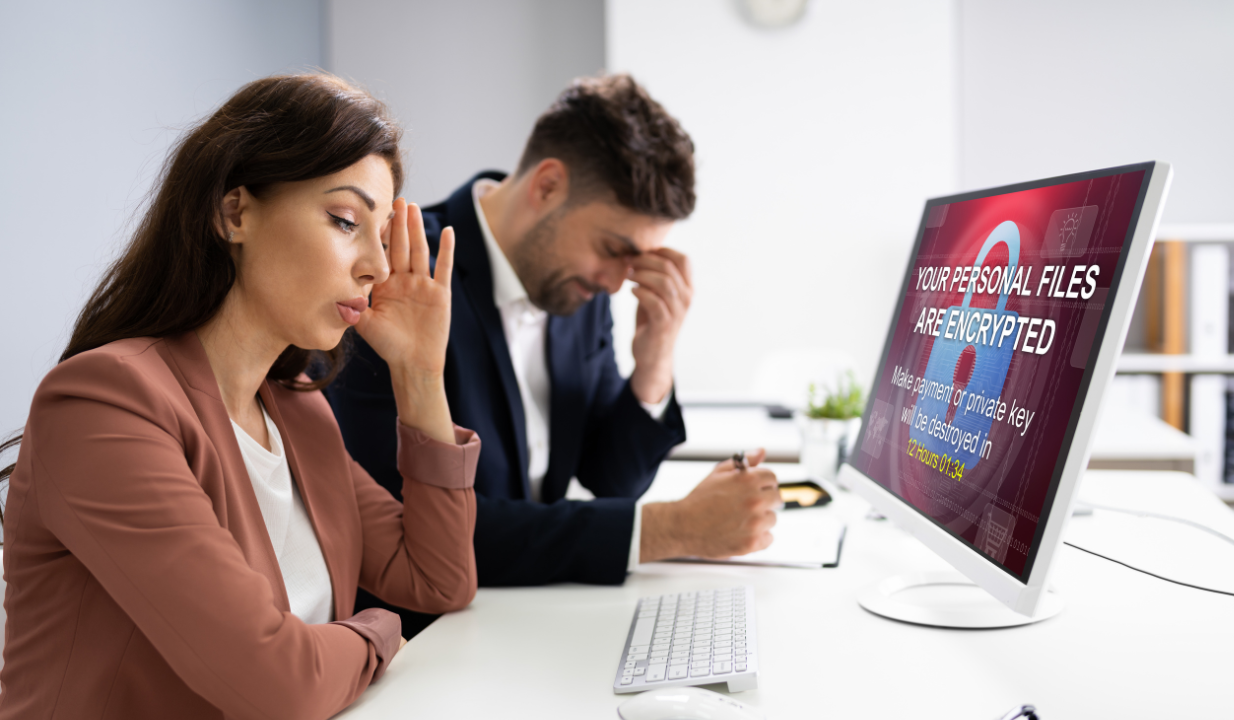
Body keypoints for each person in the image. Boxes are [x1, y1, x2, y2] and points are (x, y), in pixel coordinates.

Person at [0, 74, 478, 720]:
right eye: (345, 220)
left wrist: (420, 375)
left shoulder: (296, 409)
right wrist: (379, 631)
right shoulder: (102, 405)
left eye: (382, 235)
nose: (377, 266)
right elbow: (279, 683)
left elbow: (437, 579)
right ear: (235, 212)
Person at [327, 74, 782, 637]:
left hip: (526, 615)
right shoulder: (402, 279)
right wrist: (672, 528)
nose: (618, 283)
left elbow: (609, 476)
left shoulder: (577, 290)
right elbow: (414, 525)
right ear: (547, 185)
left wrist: (654, 359)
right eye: (614, 250)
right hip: (426, 639)